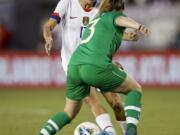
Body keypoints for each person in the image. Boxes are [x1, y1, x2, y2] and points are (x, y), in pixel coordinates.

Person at [42, 0, 137, 134]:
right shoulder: (67, 3)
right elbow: (48, 26)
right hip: (73, 64)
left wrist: (127, 36)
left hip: (96, 61)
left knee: (116, 104)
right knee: (92, 100)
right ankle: (110, 132)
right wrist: (48, 38)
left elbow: (108, 31)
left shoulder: (102, 6)